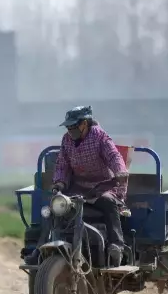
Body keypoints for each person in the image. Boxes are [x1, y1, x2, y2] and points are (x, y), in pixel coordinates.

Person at [24, 105, 129, 267]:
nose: (70, 130)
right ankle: (38, 250)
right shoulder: (67, 140)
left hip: (102, 186)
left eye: (74, 126)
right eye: (68, 127)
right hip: (78, 187)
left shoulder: (101, 137)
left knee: (109, 203)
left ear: (85, 124)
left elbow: (114, 156)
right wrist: (59, 182)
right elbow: (62, 164)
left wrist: (120, 171)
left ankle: (117, 245)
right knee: (54, 207)